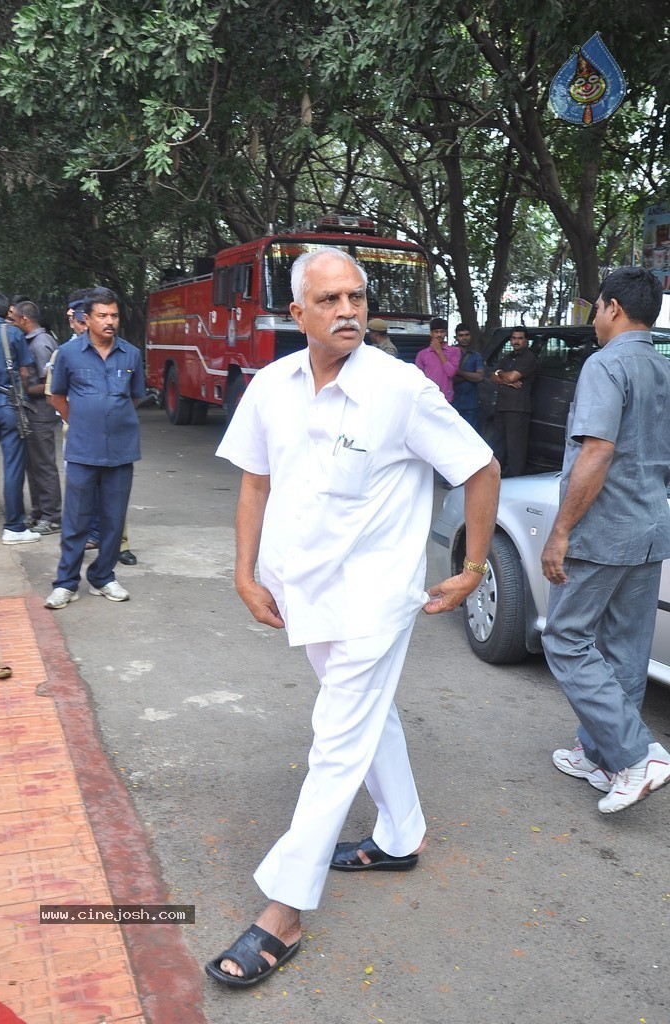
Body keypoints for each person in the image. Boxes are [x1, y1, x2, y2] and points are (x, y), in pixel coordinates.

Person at [208, 248, 500, 988]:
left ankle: (283, 911)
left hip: (374, 599)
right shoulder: (272, 385)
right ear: (296, 311)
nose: (347, 310)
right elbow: (254, 483)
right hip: (302, 593)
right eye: (329, 299)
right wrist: (245, 572)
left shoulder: (400, 389)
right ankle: (401, 834)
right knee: (371, 720)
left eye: (357, 297)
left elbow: (480, 466)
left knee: (336, 739)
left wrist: (469, 568)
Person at [541, 266, 670, 814]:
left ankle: (637, 754)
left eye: (595, 307)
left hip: (603, 531)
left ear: (613, 307)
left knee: (565, 640)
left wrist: (561, 531)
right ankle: (602, 756)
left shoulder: (606, 364)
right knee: (624, 647)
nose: (593, 318)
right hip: (648, 526)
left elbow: (596, 451)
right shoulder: (663, 367)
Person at [44, 287, 145, 609]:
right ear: (86, 319)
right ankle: (66, 583)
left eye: (114, 315)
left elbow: (135, 396)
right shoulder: (68, 354)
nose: (109, 321)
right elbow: (56, 396)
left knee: (114, 521)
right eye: (102, 315)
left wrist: (109, 418)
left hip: (121, 451)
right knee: (76, 520)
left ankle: (103, 577)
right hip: (83, 451)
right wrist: (85, 421)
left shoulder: (131, 354)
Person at [0, 291, 40, 544]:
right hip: (9, 406)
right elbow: (23, 372)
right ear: (6, 311)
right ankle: (14, 528)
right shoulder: (13, 334)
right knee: (13, 467)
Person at [12, 300, 62, 534]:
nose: (11, 323)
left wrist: (21, 390)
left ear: (24, 319)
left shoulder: (41, 344)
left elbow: (49, 384)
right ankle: (39, 512)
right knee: (33, 465)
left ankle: (52, 516)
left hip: (40, 413)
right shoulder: (31, 341)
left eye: (13, 319)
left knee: (43, 465)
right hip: (32, 413)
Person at [490, 326, 537, 476]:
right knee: (498, 446)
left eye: (520, 338)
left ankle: (515, 481)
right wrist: (505, 380)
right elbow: (493, 377)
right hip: (502, 406)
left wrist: (501, 375)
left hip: (517, 409)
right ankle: (496, 477)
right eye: (514, 338)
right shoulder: (508, 357)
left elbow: (511, 377)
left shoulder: (528, 357)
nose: (516, 341)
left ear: (526, 340)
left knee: (515, 448)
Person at [415, 316, 461, 402]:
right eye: (436, 332)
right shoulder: (422, 354)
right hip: (427, 397)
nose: (439, 335)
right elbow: (418, 378)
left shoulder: (454, 351)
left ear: (446, 333)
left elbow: (451, 373)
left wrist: (439, 351)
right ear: (431, 333)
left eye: (442, 331)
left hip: (446, 398)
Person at [451, 322, 484, 430]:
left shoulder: (476, 356)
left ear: (470, 336)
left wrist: (459, 372)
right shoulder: (449, 353)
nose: (464, 338)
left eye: (466, 335)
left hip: (471, 403)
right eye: (461, 335)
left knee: (469, 435)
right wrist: (470, 376)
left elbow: (479, 377)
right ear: (456, 337)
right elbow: (449, 377)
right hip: (452, 401)